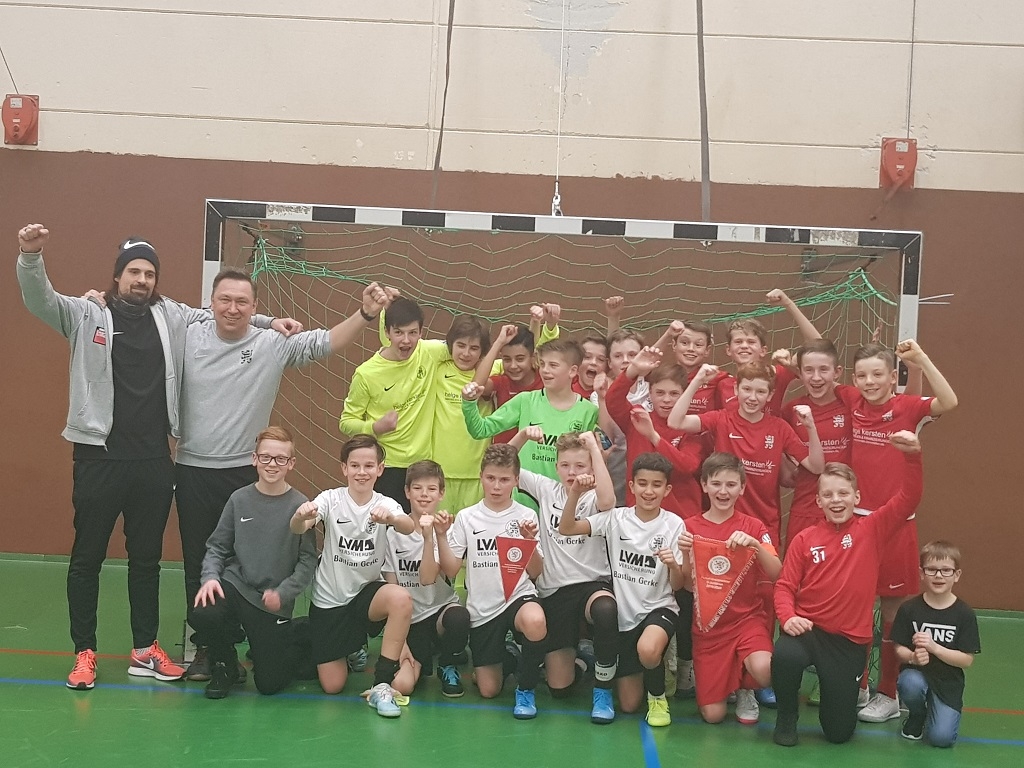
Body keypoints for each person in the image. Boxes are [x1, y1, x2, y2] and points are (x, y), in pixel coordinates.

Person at [17, 224, 236, 690]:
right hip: (98, 459)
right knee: (87, 559)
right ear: (118, 276)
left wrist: (270, 324)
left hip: (153, 461)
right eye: (134, 271)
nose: (142, 280)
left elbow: (221, 313)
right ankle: (84, 652)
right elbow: (41, 300)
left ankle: (144, 650)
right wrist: (30, 256)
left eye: (149, 273)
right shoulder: (86, 313)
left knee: (146, 561)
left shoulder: (170, 315)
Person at [177, 268, 394, 681]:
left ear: (255, 306)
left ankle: (270, 632)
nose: (233, 308)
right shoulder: (189, 333)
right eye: (225, 299)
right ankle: (212, 651)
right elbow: (161, 310)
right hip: (194, 469)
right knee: (199, 563)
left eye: (243, 302)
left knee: (255, 562)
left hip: (245, 470)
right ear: (211, 302)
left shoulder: (272, 344)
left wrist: (366, 314)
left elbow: (326, 342)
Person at [771, 431, 924, 747]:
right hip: (809, 630)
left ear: (856, 497)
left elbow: (908, 497)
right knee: (785, 654)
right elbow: (784, 587)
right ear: (819, 501)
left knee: (838, 733)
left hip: (848, 641)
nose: (836, 500)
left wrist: (913, 456)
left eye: (843, 493)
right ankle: (786, 716)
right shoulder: (804, 539)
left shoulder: (871, 529)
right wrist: (788, 618)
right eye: (828, 495)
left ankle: (836, 702)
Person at [834, 340, 958, 723]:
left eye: (877, 374)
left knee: (892, 611)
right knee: (856, 606)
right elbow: (817, 370)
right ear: (853, 378)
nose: (869, 381)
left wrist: (922, 359)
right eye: (862, 375)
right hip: (857, 524)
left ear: (893, 377)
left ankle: (888, 692)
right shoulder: (852, 400)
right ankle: (858, 684)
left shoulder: (908, 407)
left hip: (896, 525)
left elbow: (949, 401)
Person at [289, 434, 417, 718]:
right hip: (331, 601)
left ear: (380, 469)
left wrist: (391, 519)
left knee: (400, 598)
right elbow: (300, 527)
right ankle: (349, 647)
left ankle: (382, 685)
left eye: (369, 466)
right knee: (333, 686)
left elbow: (408, 526)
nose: (362, 472)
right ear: (344, 468)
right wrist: (300, 516)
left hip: (366, 597)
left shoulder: (385, 503)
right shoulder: (330, 499)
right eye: (355, 465)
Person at [560, 453, 687, 727]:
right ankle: (652, 669)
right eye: (642, 483)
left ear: (667, 490)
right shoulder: (615, 519)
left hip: (659, 609)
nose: (649, 491)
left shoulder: (674, 524)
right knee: (628, 705)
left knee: (648, 649)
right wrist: (575, 493)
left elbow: (678, 585)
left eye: (656, 485)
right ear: (631, 486)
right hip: (625, 620)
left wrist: (674, 565)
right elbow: (567, 528)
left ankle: (658, 698)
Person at [190, 426, 316, 699]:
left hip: (272, 601)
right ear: (255, 459)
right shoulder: (239, 499)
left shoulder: (300, 505)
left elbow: (307, 561)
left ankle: (296, 632)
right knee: (204, 611)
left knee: (269, 684)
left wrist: (283, 593)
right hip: (237, 585)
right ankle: (225, 665)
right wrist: (210, 578)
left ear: (291, 463)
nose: (272, 464)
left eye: (280, 458)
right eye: (266, 457)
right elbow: (217, 546)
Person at [508, 429, 619, 723]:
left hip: (591, 585)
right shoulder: (545, 489)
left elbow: (609, 501)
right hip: (555, 591)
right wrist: (523, 435)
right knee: (559, 688)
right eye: (566, 465)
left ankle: (603, 691)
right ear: (556, 466)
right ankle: (582, 661)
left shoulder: (595, 496)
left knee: (606, 610)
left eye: (580, 465)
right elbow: (505, 462)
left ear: (591, 467)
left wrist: (594, 448)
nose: (572, 472)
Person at [439, 444, 547, 719]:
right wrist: (440, 535)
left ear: (516, 480)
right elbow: (450, 569)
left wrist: (528, 543)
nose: (497, 486)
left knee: (535, 621)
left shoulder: (526, 516)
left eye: (504, 479)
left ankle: (526, 690)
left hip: (518, 597)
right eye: (491, 478)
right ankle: (509, 655)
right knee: (488, 689)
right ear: (481, 476)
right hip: (483, 609)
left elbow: (536, 572)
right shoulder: (467, 517)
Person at [678, 453, 781, 726]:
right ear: (704, 485)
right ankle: (729, 681)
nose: (723, 491)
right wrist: (684, 554)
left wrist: (755, 546)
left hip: (747, 620)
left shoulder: (753, 526)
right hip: (709, 629)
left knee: (765, 670)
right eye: (716, 484)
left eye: (731, 484)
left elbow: (777, 573)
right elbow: (686, 586)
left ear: (742, 488)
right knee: (713, 716)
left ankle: (747, 687)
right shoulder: (689, 527)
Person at [339, 297, 450, 513]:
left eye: (412, 333)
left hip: (421, 467)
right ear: (387, 332)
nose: (406, 340)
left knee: (418, 530)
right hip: (386, 467)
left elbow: (467, 349)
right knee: (384, 527)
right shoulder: (366, 374)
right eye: (399, 332)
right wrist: (375, 427)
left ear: (421, 332)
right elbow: (346, 422)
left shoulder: (430, 352)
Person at [461, 339, 599, 504]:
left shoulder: (589, 411)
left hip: (564, 505)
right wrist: (469, 403)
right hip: (524, 503)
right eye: (542, 364)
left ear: (572, 371)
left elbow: (597, 461)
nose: (545, 370)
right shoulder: (525, 401)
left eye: (553, 365)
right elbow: (480, 430)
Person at [381, 461, 471, 698]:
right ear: (407, 492)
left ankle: (447, 663)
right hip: (410, 620)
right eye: (417, 488)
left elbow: (428, 578)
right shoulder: (393, 534)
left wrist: (431, 537)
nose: (424, 495)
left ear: (441, 494)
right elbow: (391, 587)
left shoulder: (448, 530)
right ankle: (423, 657)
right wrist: (400, 641)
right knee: (403, 686)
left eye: (431, 489)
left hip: (440, 612)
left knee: (459, 618)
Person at [892, 540, 980, 747]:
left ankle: (938, 709)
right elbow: (898, 647)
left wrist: (935, 648)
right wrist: (912, 657)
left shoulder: (964, 614)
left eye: (946, 570)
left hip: (948, 683)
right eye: (931, 569)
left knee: (941, 739)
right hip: (917, 676)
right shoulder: (909, 609)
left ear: (957, 575)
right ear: (921, 573)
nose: (939, 575)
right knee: (909, 682)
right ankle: (918, 714)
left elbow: (966, 660)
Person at [779, 339, 852, 548]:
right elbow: (772, 436)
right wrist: (785, 467)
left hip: (844, 509)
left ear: (837, 372)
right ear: (799, 373)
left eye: (823, 370)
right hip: (804, 508)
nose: (816, 377)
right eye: (809, 370)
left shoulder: (851, 406)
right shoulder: (791, 410)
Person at [716, 289, 821, 415]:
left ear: (763, 350)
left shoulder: (777, 374)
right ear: (728, 350)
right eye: (738, 342)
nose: (744, 346)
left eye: (751, 342)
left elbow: (818, 345)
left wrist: (788, 303)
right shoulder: (722, 384)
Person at [431, 315, 493, 516]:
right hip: (440, 473)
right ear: (451, 345)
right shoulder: (437, 369)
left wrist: (548, 327)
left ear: (483, 352)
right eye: (461, 345)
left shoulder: (493, 370)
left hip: (476, 474)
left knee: (472, 533)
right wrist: (384, 311)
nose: (466, 353)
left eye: (474, 348)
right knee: (439, 531)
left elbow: (533, 358)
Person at [470, 308, 561, 444]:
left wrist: (545, 323)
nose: (513, 366)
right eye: (507, 359)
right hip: (504, 453)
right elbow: (476, 386)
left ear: (533, 357)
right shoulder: (502, 383)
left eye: (520, 359)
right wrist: (498, 343)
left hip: (537, 453)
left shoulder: (545, 380)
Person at [574, 333, 609, 398]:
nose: (593, 362)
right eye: (587, 357)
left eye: (601, 359)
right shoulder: (565, 391)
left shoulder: (611, 394)